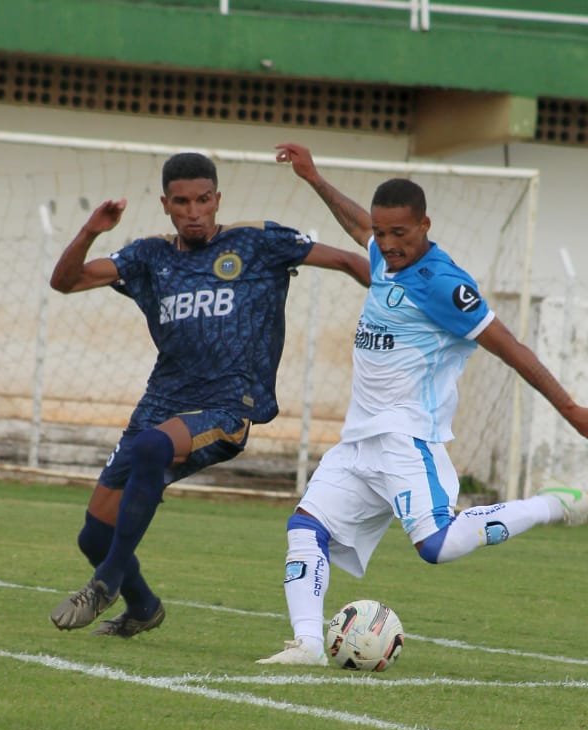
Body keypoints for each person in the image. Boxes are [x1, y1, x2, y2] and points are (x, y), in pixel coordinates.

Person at [258, 143, 588, 666]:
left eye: (398, 233)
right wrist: (313, 177)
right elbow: (357, 221)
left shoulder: (446, 288)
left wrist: (569, 409)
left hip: (409, 437)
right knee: (305, 529)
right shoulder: (386, 254)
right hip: (360, 440)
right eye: (381, 234)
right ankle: (309, 646)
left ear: (424, 224)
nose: (386, 243)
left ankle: (553, 505)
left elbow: (511, 348)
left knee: (437, 546)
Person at [48, 151, 370, 637]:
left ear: (217, 199)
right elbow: (64, 282)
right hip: (161, 402)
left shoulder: (258, 242)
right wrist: (92, 229)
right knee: (94, 534)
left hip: (228, 407)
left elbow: (348, 260)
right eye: (182, 202)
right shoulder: (149, 257)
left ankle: (105, 584)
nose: (194, 211)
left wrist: (400, 299)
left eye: (203, 200)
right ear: (165, 204)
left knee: (153, 448)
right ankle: (142, 607)